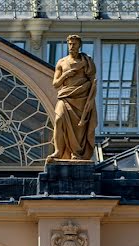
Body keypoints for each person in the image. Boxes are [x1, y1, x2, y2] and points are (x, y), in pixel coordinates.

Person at [46, 34, 97, 162]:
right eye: (69, 44)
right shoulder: (62, 62)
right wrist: (66, 75)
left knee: (79, 127)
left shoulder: (86, 62)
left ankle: (76, 153)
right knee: (58, 120)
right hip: (65, 96)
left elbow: (92, 82)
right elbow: (55, 84)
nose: (71, 46)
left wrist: (90, 101)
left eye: (74, 44)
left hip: (81, 98)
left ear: (79, 45)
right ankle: (58, 151)